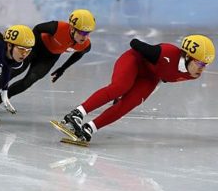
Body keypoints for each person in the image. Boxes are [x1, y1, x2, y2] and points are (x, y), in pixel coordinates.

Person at [59, 35, 215, 143]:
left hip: (150, 77)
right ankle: (77, 114)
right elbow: (135, 43)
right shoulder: (165, 53)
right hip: (134, 61)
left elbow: (165, 77)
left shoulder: (193, 74)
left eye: (205, 65)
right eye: (200, 63)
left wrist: (140, 93)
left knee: (129, 103)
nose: (202, 69)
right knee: (119, 88)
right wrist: (126, 89)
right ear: (187, 56)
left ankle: (89, 129)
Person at [0, 9, 96, 113]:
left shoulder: (85, 45)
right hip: (35, 48)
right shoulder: (57, 27)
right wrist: (30, 48)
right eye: (82, 32)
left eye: (88, 33)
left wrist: (62, 69)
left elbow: (78, 55)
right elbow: (37, 29)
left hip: (49, 58)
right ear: (72, 28)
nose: (85, 36)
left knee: (29, 80)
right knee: (15, 70)